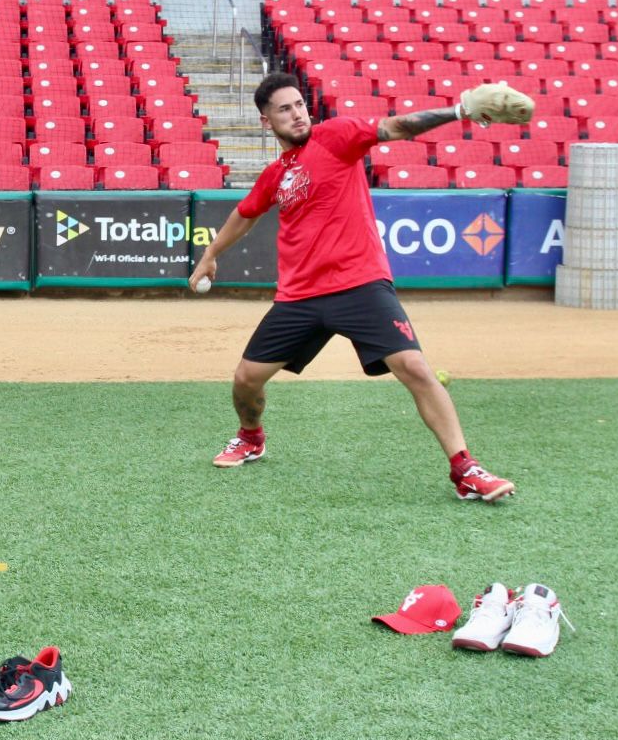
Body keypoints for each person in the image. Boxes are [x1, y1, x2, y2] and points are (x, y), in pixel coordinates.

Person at [189, 72, 532, 502]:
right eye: (284, 109)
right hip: (300, 295)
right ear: (266, 121)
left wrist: (459, 111)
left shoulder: (336, 136)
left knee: (416, 369)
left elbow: (397, 127)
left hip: (360, 284)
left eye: (299, 105)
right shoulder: (277, 174)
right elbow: (246, 213)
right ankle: (251, 436)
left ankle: (466, 469)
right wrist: (210, 254)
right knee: (245, 380)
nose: (296, 114)